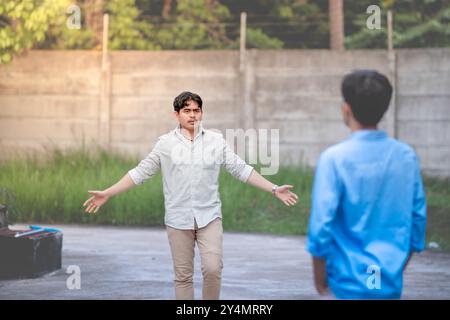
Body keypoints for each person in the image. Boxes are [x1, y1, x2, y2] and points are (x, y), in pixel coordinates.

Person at [83, 91, 299, 300]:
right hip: (178, 220)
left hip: (209, 217)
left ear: (202, 113)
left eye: (197, 110)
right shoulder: (165, 144)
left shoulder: (216, 141)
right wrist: (108, 193)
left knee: (213, 269)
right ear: (176, 114)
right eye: (187, 110)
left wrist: (273, 188)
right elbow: (140, 172)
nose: (193, 115)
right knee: (183, 277)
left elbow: (241, 169)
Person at [307, 70, 427, 299]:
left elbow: (321, 225)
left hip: (345, 284)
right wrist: (392, 270)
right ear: (384, 108)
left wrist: (319, 279)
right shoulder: (406, 156)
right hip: (387, 282)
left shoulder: (334, 159)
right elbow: (418, 220)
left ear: (346, 108)